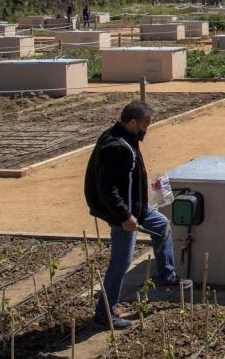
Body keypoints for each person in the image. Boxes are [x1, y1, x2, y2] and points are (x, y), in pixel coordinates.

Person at [84, 101, 191, 329]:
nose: (147, 129)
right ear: (132, 123)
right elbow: (107, 188)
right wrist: (125, 217)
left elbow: (129, 178)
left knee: (161, 225)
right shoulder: (116, 146)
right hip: (124, 215)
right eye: (145, 124)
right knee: (121, 263)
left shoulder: (126, 139)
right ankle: (105, 313)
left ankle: (167, 276)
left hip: (138, 208)